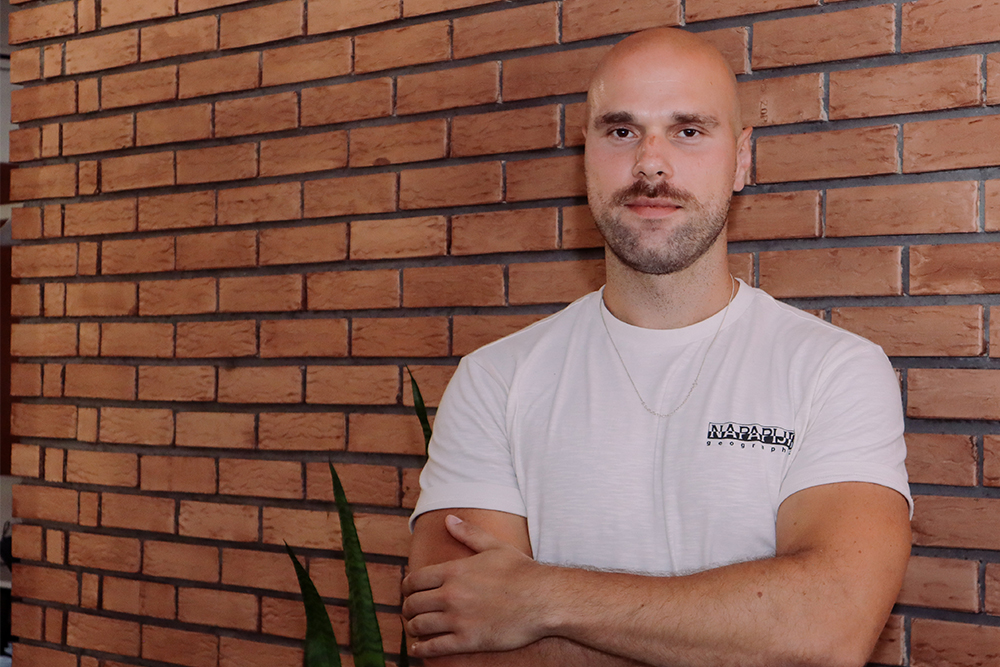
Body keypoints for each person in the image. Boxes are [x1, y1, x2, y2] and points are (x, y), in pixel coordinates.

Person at [402, 27, 912, 667]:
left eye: (688, 131)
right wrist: (734, 630)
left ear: (743, 159)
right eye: (620, 131)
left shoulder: (833, 370)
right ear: (585, 153)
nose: (651, 163)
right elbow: (453, 642)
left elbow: (825, 631)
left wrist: (540, 599)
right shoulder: (494, 379)